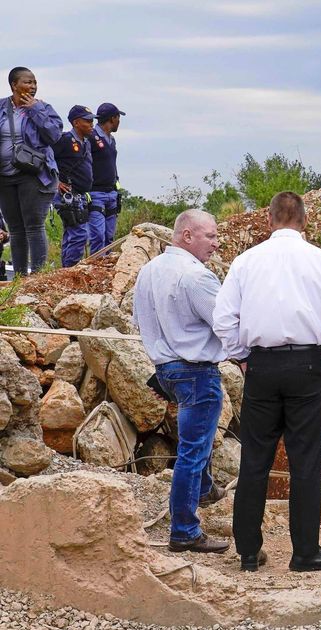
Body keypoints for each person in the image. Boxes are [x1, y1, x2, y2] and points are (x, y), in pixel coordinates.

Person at [213, 191, 321, 573]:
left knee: (255, 461)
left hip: (261, 367)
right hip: (308, 367)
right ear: (305, 221)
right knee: (306, 463)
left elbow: (223, 320)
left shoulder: (246, 262)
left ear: (269, 220)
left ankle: (247, 551)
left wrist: (242, 358)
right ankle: (305, 552)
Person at [132, 210, 229, 555]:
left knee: (194, 440)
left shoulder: (148, 271)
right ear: (187, 236)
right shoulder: (196, 276)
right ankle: (185, 531)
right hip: (196, 371)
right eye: (211, 236)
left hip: (165, 370)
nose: (217, 245)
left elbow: (138, 320)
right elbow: (227, 324)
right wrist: (249, 355)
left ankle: (203, 488)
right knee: (193, 450)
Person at [0, 67, 62, 276]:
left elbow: (54, 135)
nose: (33, 86)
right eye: (27, 82)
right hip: (5, 177)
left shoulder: (43, 107)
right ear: (14, 85)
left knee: (34, 226)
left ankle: (38, 277)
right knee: (16, 229)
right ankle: (19, 278)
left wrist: (35, 110)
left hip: (33, 174)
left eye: (35, 82)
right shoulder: (1, 107)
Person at [51, 106, 95, 268]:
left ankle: (66, 270)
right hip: (68, 194)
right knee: (79, 234)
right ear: (76, 122)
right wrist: (55, 182)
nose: (92, 124)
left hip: (81, 194)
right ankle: (71, 269)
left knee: (72, 233)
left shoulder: (86, 142)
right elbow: (46, 158)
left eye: (92, 120)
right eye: (88, 120)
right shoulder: (64, 140)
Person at [87, 103, 124, 250]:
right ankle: (94, 268)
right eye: (118, 118)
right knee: (98, 236)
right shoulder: (90, 137)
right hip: (95, 192)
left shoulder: (111, 140)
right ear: (112, 119)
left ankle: (105, 269)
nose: (119, 122)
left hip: (111, 192)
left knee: (109, 236)